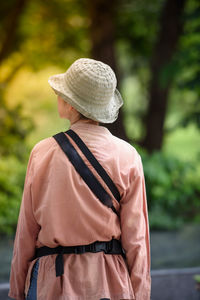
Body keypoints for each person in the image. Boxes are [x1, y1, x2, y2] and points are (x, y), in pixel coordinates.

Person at [9, 58, 151, 300]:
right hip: (110, 283)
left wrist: (17, 289)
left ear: (71, 105)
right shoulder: (127, 156)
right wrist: (141, 294)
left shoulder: (42, 153)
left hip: (51, 283)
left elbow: (26, 232)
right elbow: (137, 239)